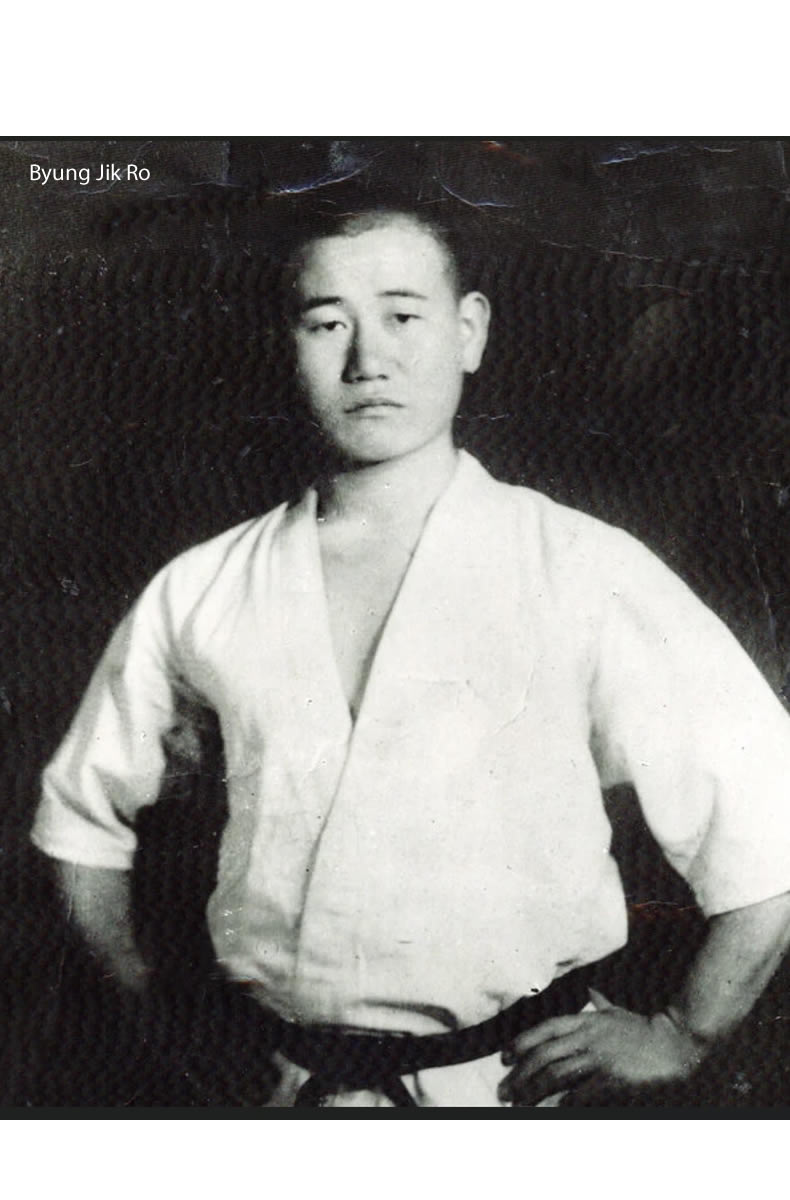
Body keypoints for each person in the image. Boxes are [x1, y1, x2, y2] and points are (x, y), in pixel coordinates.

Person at [31, 193, 790, 1108]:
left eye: (402, 316)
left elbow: (768, 805)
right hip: (274, 1088)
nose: (368, 360)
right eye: (326, 323)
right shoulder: (203, 586)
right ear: (284, 344)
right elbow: (80, 815)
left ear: (469, 331)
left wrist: (685, 1029)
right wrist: (148, 1004)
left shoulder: (581, 565)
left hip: (510, 1089)